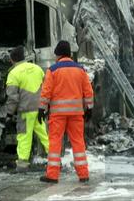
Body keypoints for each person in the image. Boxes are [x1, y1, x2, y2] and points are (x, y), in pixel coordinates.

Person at [38, 40, 94, 183]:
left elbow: (46, 92)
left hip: (58, 115)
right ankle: (83, 174)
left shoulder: (53, 70)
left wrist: (41, 109)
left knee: (55, 143)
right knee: (78, 143)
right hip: (76, 114)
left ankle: (52, 175)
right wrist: (89, 108)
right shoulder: (80, 70)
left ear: (58, 55)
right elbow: (88, 91)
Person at [4, 46, 49, 172]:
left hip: (25, 111)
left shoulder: (13, 73)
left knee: (24, 136)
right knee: (44, 134)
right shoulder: (37, 68)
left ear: (12, 60)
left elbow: (13, 98)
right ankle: (55, 160)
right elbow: (45, 87)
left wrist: (9, 114)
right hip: (39, 108)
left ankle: (22, 165)